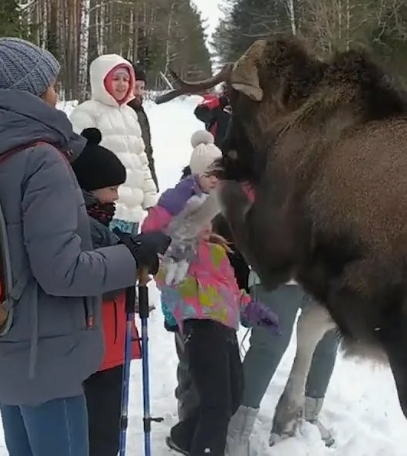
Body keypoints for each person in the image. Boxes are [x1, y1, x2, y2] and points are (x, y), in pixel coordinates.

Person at [0, 37, 172, 456]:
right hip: (47, 354)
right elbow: (62, 270)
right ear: (33, 90)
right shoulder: (41, 159)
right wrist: (133, 256)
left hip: (2, 341)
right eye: (50, 82)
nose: (56, 92)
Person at [142, 130, 280, 456]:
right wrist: (171, 212)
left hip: (225, 324)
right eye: (194, 214)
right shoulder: (176, 251)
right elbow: (151, 239)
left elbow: (231, 290)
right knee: (215, 403)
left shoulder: (217, 250)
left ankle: (184, 436)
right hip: (200, 322)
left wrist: (252, 309)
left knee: (232, 398)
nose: (203, 220)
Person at [71, 127, 142, 456]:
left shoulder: (100, 225)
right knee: (96, 430)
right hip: (92, 345)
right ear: (87, 188)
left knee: (105, 426)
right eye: (111, 188)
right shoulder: (81, 227)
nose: (115, 197)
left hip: (109, 343)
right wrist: (127, 258)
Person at [225, 280, 342, 454]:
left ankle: (307, 417)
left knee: (328, 338)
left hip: (326, 271)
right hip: (281, 266)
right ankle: (235, 431)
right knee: (270, 344)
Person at [69, 54, 158, 235]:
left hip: (133, 212)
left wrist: (150, 198)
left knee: (127, 258)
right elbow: (77, 160)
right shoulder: (86, 113)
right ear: (101, 80)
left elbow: (141, 159)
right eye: (115, 78)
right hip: (104, 210)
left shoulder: (130, 114)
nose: (122, 84)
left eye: (126, 79)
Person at [128, 65, 158, 189]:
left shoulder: (139, 112)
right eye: (135, 87)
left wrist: (153, 183)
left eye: (142, 88)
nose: (139, 92)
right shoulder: (122, 112)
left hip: (143, 181)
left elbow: (147, 152)